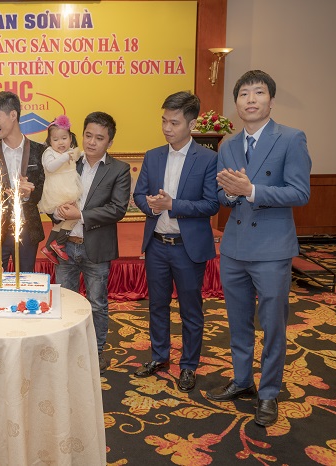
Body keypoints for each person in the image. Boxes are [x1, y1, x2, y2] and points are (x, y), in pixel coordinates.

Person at [207, 70, 311, 427]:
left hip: (271, 249)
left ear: (271, 100)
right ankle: (242, 380)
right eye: (244, 94)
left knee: (272, 325)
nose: (251, 99)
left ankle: (268, 392)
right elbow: (221, 195)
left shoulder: (291, 138)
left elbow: (300, 192)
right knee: (237, 322)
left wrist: (251, 190)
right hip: (234, 248)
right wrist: (230, 193)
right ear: (236, 103)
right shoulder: (228, 145)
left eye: (259, 92)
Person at [133, 91, 220, 392]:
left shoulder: (208, 159)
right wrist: (152, 206)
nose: (167, 128)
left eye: (174, 123)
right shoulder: (153, 155)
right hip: (157, 244)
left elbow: (212, 204)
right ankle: (159, 357)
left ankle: (189, 366)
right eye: (164, 121)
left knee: (190, 311)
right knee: (157, 306)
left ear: (191, 124)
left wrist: (172, 205)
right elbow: (139, 194)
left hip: (187, 248)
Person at [54, 112, 131, 374]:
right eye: (88, 135)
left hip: (96, 247)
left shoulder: (119, 169)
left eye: (99, 138)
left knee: (97, 303)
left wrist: (81, 215)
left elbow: (117, 208)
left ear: (109, 142)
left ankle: (96, 353)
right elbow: (54, 193)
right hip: (65, 245)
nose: (91, 142)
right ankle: (66, 351)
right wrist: (56, 211)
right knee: (65, 302)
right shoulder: (69, 162)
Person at [0, 91, 45, 273]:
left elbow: (44, 191)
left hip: (28, 231)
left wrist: (29, 194)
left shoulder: (40, 151)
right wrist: (1, 195)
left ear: (13, 115)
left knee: (26, 281)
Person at [37, 115, 82, 265]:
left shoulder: (71, 151)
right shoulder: (49, 152)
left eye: (64, 138)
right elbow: (50, 167)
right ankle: (58, 243)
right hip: (58, 191)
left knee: (62, 221)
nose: (60, 142)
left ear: (70, 138)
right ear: (50, 141)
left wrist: (78, 153)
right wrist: (64, 157)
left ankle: (48, 247)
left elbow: (79, 157)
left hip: (70, 188)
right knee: (73, 216)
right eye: (55, 139)